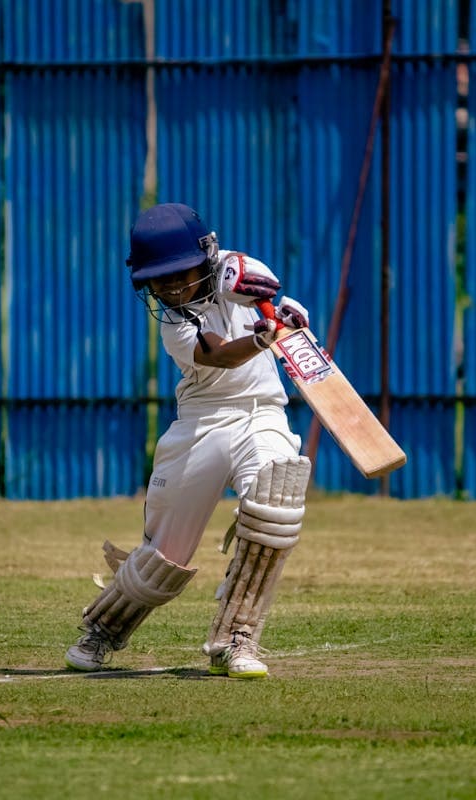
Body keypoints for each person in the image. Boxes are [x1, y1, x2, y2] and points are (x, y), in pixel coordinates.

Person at [64, 202, 312, 679]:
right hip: (202, 422)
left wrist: (285, 316)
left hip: (263, 412)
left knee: (275, 503)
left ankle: (237, 639)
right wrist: (264, 339)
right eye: (159, 280)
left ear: (207, 257)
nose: (173, 287)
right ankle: (103, 630)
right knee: (165, 554)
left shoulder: (238, 270)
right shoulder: (177, 327)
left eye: (181, 274)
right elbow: (219, 356)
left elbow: (264, 289)